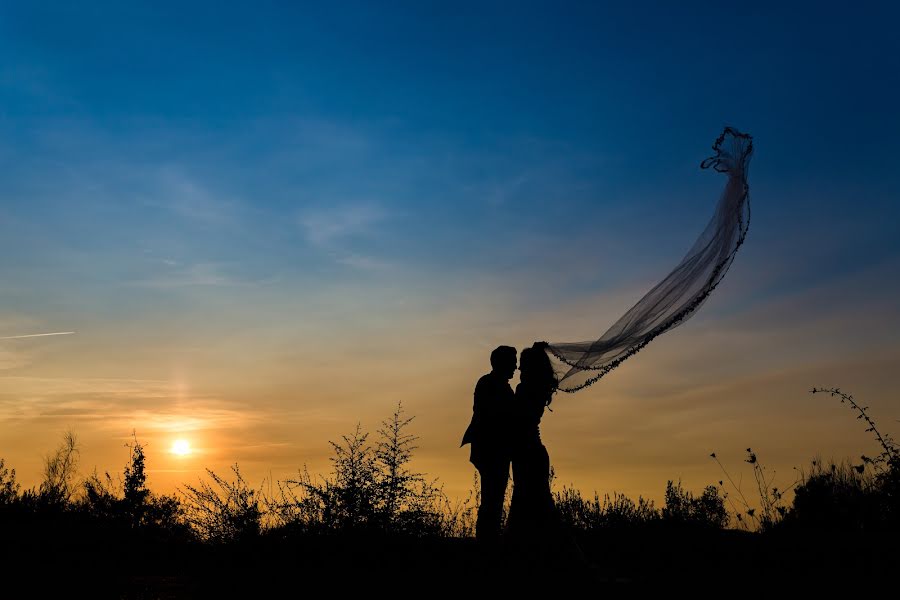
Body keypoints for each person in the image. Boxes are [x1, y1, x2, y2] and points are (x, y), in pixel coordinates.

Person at [461, 345, 517, 543]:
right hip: (491, 449)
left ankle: (489, 537)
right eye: (512, 361)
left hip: (497, 448)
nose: (516, 366)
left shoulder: (497, 383)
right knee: (491, 497)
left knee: (494, 496)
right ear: (502, 363)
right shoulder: (488, 383)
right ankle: (487, 540)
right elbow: (488, 414)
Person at [506, 342, 558, 541]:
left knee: (529, 506)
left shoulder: (525, 389)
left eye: (522, 364)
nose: (518, 368)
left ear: (530, 367)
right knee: (538, 508)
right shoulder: (539, 388)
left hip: (527, 454)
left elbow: (515, 420)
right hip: (532, 453)